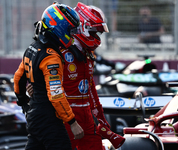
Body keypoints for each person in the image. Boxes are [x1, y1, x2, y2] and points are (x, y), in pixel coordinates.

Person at [27, 2, 125, 150]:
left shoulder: (88, 54)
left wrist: (102, 120)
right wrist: (31, 86)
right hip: (64, 118)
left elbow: (91, 90)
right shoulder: (58, 51)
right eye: (93, 32)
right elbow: (36, 76)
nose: (96, 37)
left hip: (87, 117)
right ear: (83, 29)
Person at [14, 3, 84, 150]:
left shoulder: (31, 48)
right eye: (70, 30)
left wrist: (25, 104)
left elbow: (18, 78)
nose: (72, 34)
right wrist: (72, 122)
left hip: (34, 117)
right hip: (48, 120)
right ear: (59, 28)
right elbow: (56, 95)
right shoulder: (51, 58)